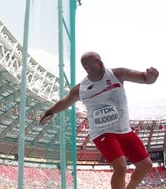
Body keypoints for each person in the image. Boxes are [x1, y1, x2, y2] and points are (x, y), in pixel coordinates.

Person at [39, 51, 159, 189]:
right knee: (120, 166)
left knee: (146, 165)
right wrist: (49, 112)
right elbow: (65, 102)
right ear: (87, 68)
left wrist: (152, 76)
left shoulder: (117, 74)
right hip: (102, 133)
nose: (101, 62)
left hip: (124, 130)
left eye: (100, 59)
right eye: (96, 61)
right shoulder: (80, 89)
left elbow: (145, 79)